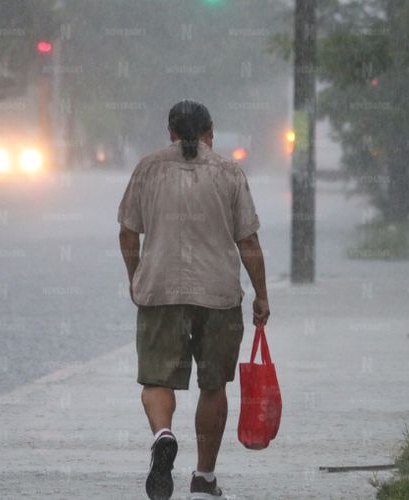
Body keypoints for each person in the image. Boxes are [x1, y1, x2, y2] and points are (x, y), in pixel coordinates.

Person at [118, 100, 270, 500]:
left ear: (169, 132)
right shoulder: (229, 172)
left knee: (156, 377)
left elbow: (127, 233)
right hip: (217, 294)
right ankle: (203, 476)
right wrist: (262, 294)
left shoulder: (147, 169)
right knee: (214, 384)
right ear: (210, 133)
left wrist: (136, 278)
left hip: (160, 290)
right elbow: (248, 241)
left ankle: (163, 435)